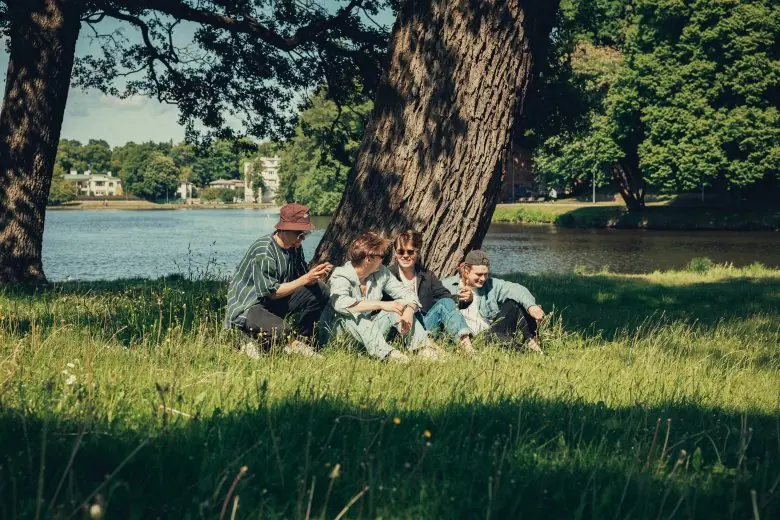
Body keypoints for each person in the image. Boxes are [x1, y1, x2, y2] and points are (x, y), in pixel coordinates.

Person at [224, 203, 332, 358]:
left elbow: (301, 279)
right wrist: (305, 279)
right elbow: (272, 293)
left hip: (273, 303)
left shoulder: (294, 246)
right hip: (250, 307)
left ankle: (302, 342)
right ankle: (245, 339)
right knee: (282, 331)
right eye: (298, 234)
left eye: (304, 235)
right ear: (283, 229)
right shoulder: (265, 250)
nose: (301, 240)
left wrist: (314, 276)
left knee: (321, 290)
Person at [318, 231, 440, 363]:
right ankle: (390, 356)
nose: (384, 260)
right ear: (368, 259)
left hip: (368, 333)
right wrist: (381, 304)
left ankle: (424, 350)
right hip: (339, 337)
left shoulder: (381, 273)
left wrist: (409, 310)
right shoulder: (341, 275)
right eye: (381, 256)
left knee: (398, 309)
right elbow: (341, 304)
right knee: (356, 315)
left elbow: (408, 295)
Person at [388, 230, 475, 355]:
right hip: (401, 328)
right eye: (401, 252)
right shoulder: (388, 276)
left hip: (427, 325)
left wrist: (465, 298)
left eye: (410, 252)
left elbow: (447, 299)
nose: (405, 255)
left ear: (417, 253)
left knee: (445, 302)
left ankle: (468, 350)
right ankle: (431, 349)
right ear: (395, 254)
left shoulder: (427, 276)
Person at [442, 250, 544, 353]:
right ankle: (530, 353)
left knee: (515, 303)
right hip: (471, 337)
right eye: (478, 274)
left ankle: (532, 342)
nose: (483, 279)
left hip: (492, 330)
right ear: (466, 270)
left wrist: (531, 306)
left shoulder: (490, 284)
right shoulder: (447, 286)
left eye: (485, 274)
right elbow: (439, 307)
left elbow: (517, 289)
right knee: (497, 340)